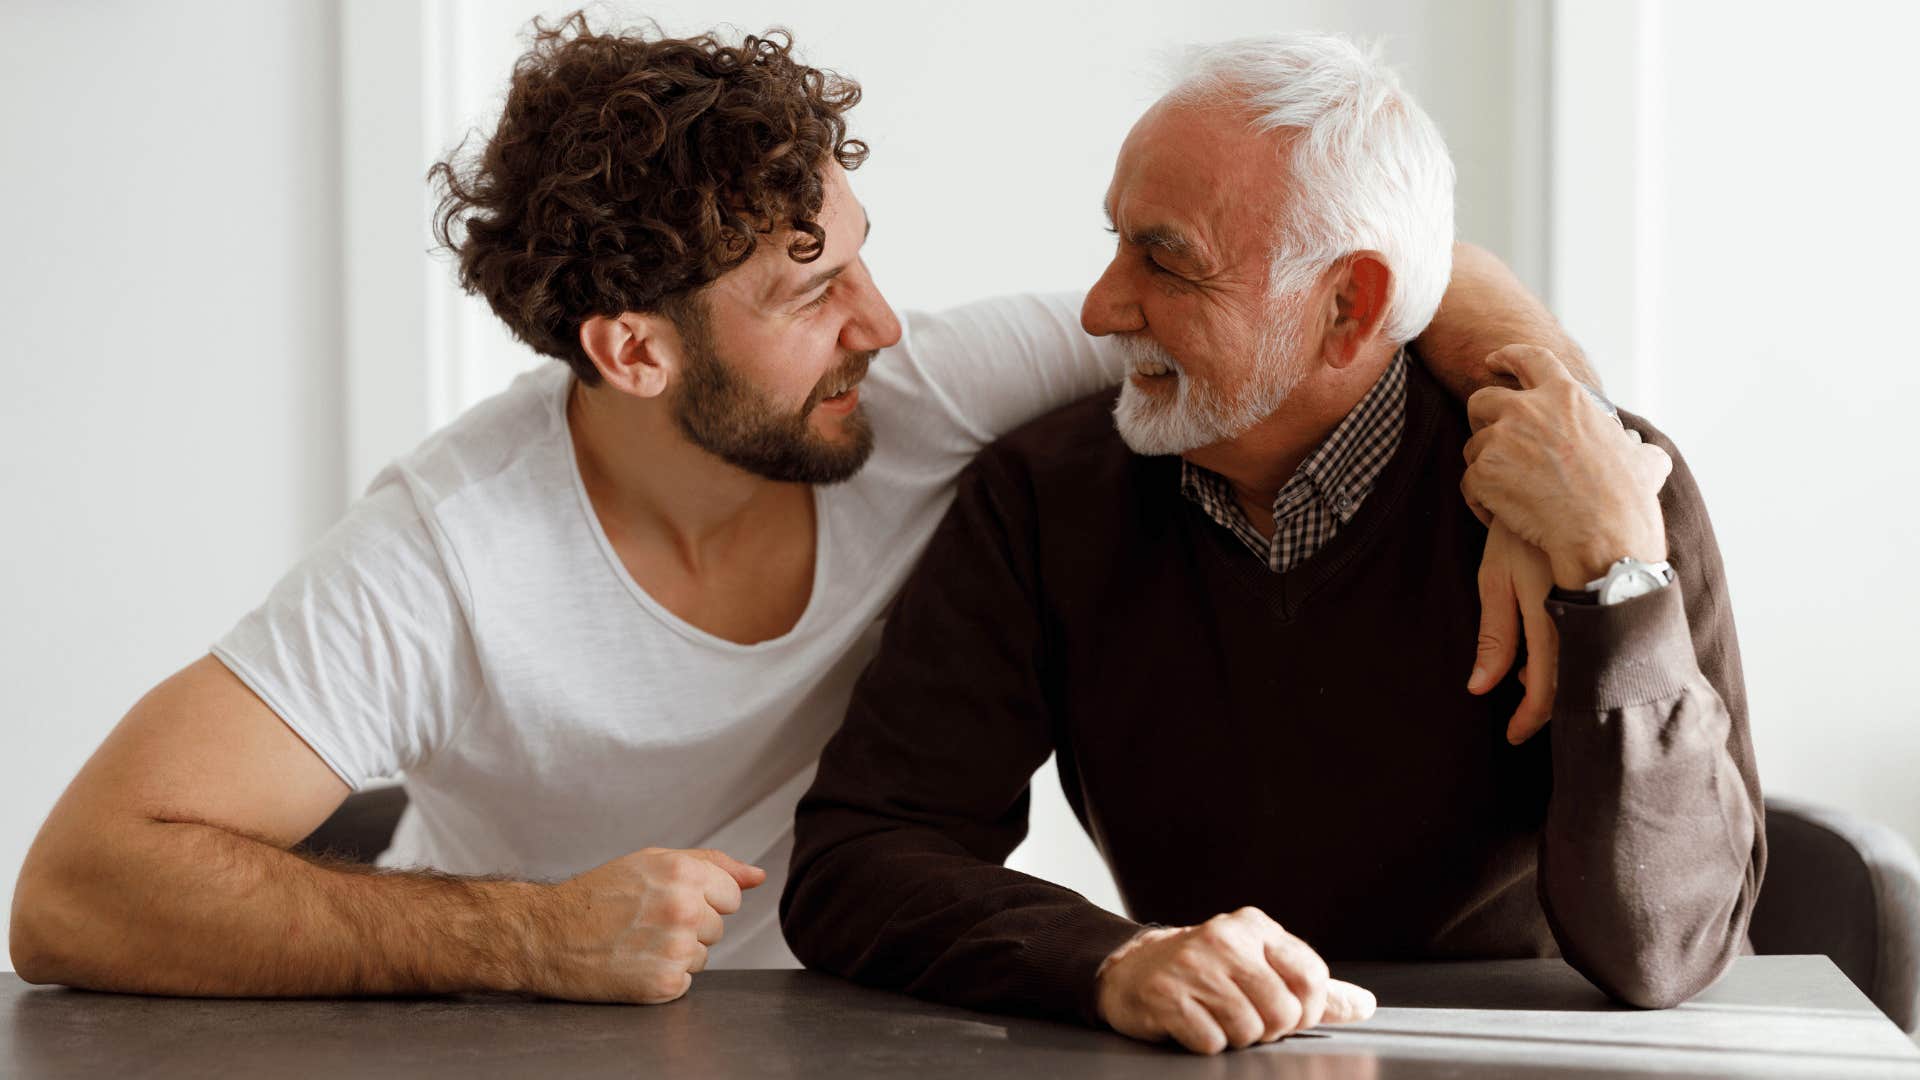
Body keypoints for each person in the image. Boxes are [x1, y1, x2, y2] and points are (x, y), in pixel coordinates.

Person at [11, 15, 1598, 1005]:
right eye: (810, 286)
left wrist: (1550, 446)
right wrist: (525, 941)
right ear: (633, 351)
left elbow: (1384, 268)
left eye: (861, 250)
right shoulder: (445, 553)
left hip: (881, 1023)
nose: (883, 322)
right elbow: (77, 883)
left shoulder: (921, 396)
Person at [781, 33, 1761, 1054]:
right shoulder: (1043, 497)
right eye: (1115, 241)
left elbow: (1668, 953)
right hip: (1205, 1060)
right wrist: (1110, 960)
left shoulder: (1608, 495)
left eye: (1165, 259)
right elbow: (862, 853)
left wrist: (1616, 581)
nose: (1101, 307)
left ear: (1350, 306)